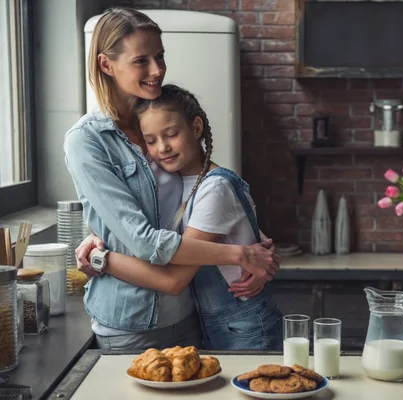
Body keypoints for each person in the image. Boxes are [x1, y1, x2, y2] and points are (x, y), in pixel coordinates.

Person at [63, 7, 278, 351]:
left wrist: (257, 240)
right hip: (132, 322)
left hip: (189, 313)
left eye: (160, 57)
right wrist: (239, 254)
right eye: (142, 61)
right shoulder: (87, 140)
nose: (157, 70)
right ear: (106, 65)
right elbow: (144, 240)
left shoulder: (155, 122)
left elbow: (205, 184)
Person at [82, 84, 283, 350]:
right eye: (151, 140)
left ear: (196, 128)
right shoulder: (178, 180)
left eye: (172, 134)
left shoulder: (214, 187)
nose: (162, 147)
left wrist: (101, 260)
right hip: (215, 321)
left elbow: (173, 281)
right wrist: (97, 236)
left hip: (244, 326)